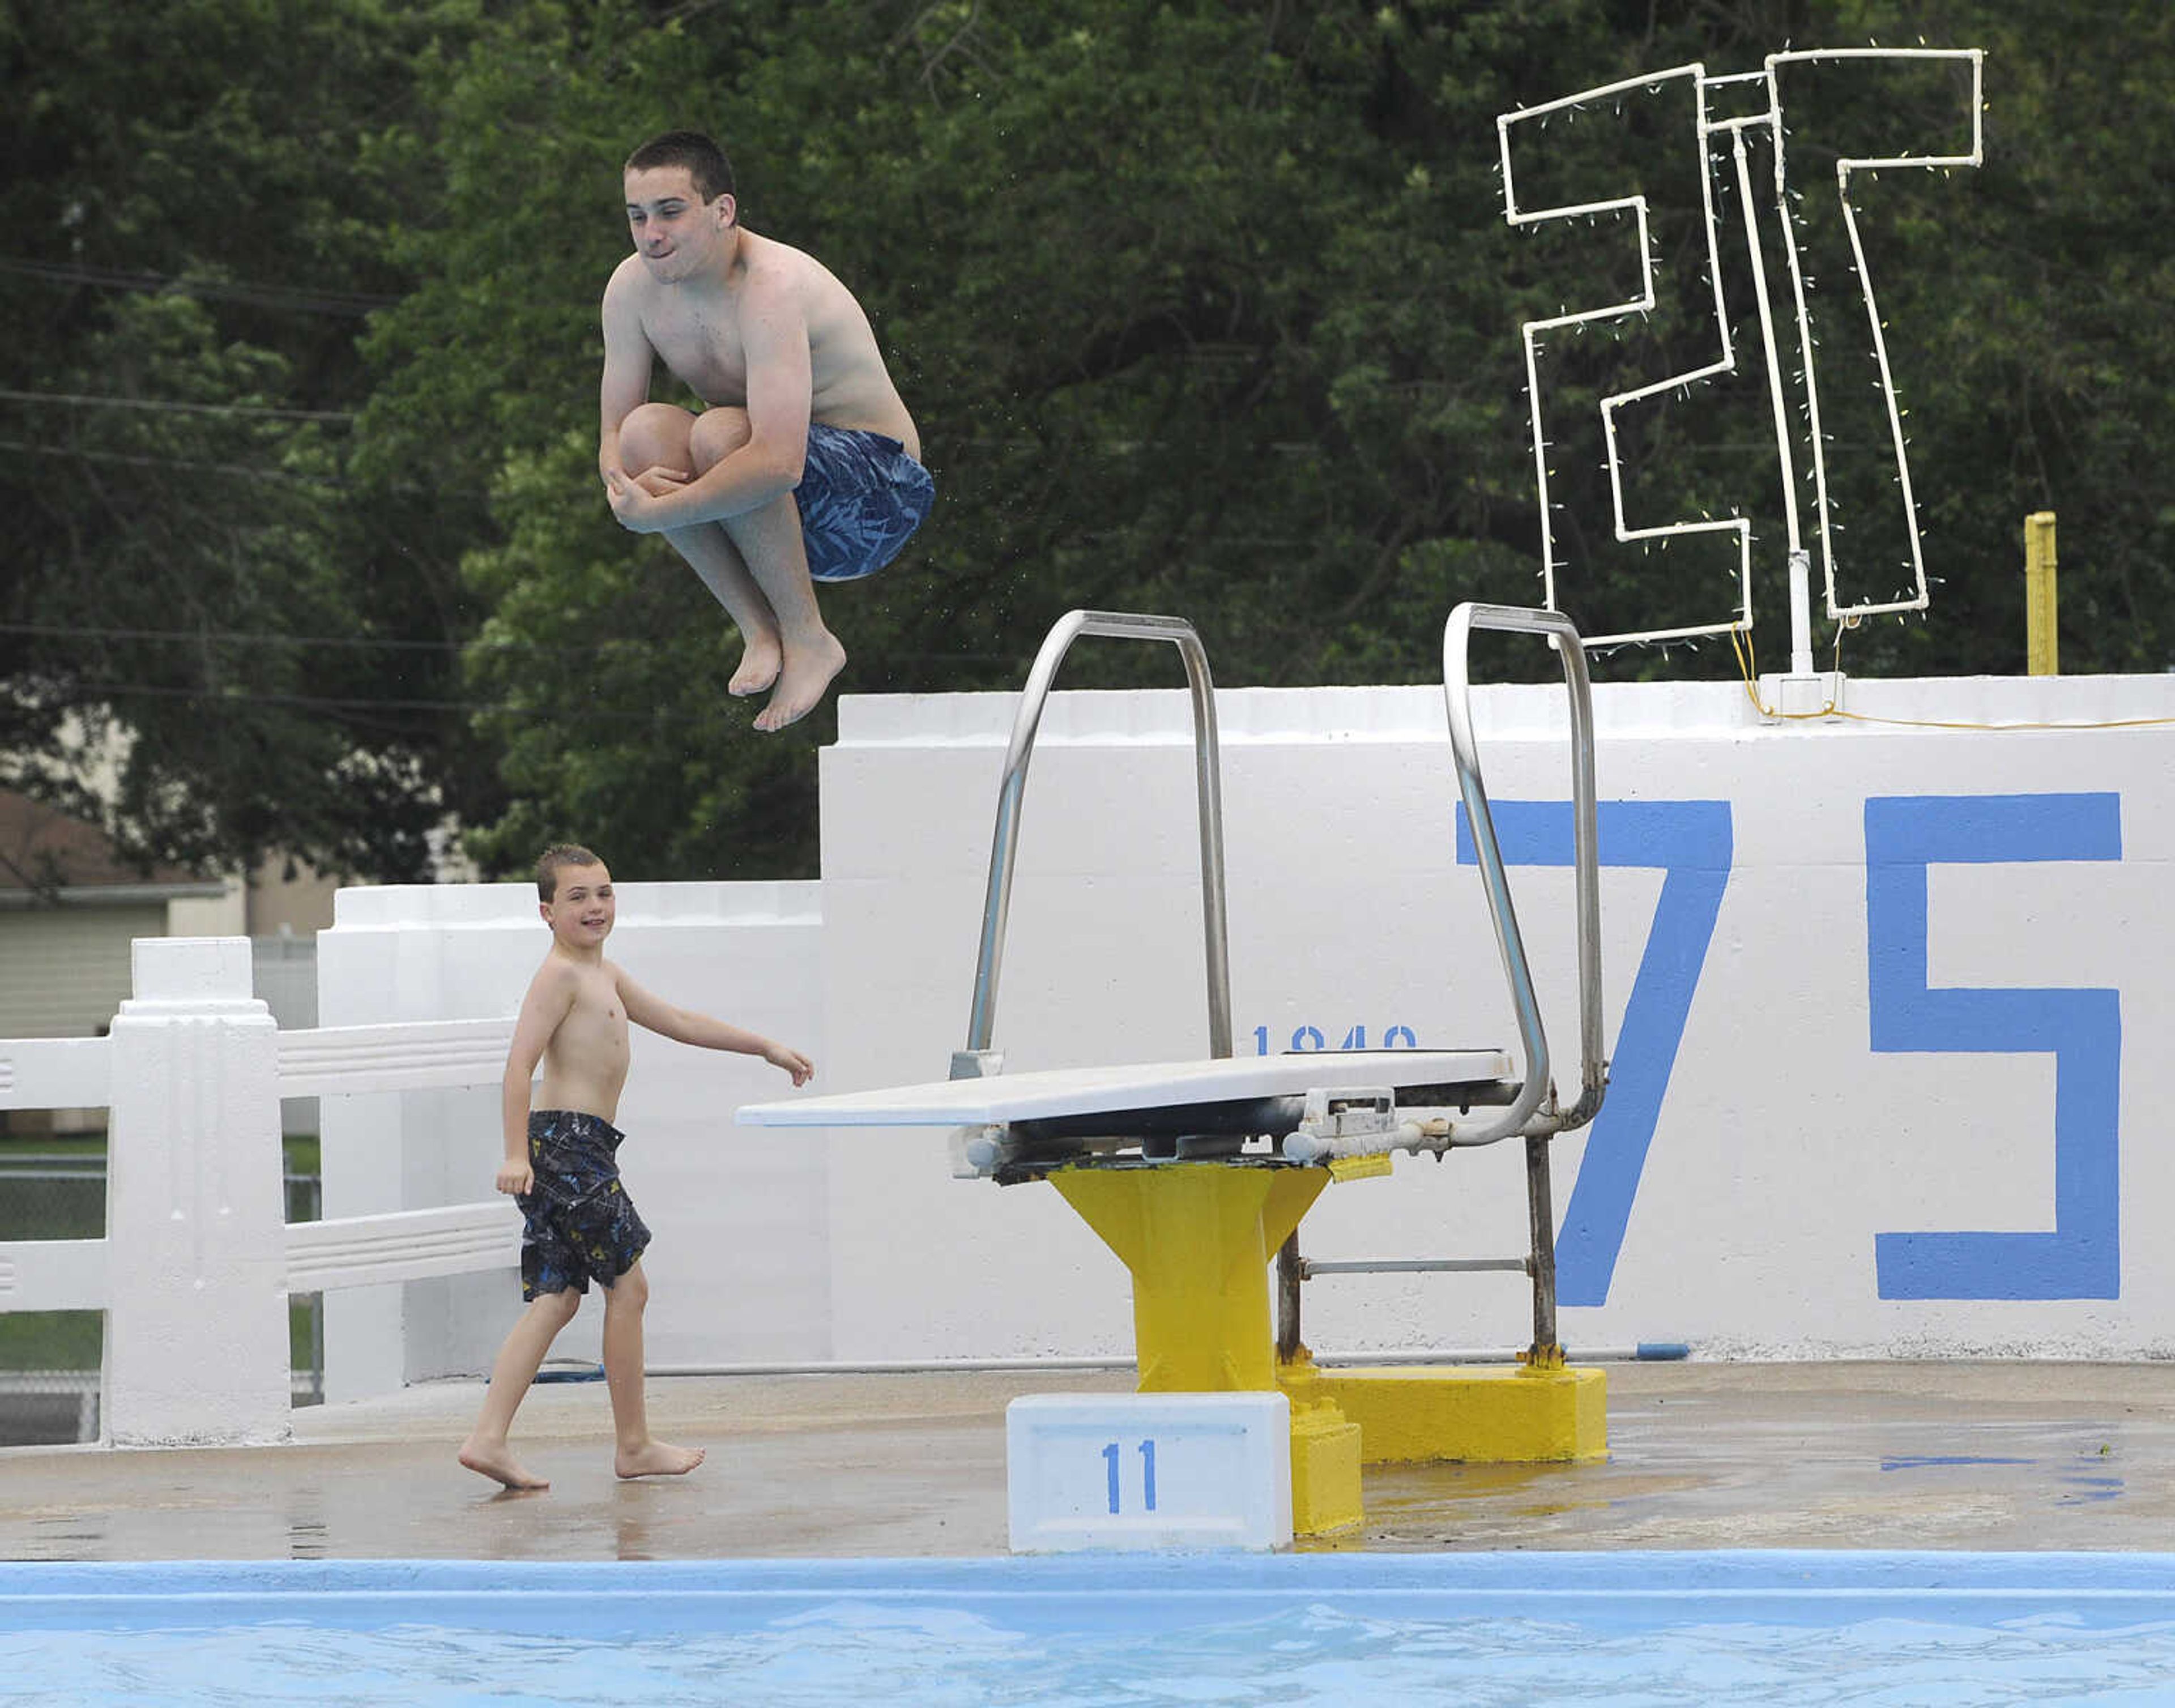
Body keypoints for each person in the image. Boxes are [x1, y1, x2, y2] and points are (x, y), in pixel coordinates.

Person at [458, 843, 815, 1491]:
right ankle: (634, 1444)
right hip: (566, 1147)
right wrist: (515, 1152)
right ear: (546, 911)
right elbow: (518, 1065)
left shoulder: (606, 974)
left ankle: (488, 1439)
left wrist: (763, 1046)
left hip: (577, 1146)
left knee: (558, 1298)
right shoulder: (559, 975)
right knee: (631, 1287)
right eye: (577, 897)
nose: (595, 907)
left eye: (604, 893)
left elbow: (678, 1021)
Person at [598, 129, 933, 733]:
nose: (652, 234)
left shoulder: (770, 286)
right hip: (777, 517)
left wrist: (661, 514)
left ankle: (811, 640)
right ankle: (760, 629)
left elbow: (780, 463)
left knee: (723, 435)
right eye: (638, 216)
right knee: (643, 434)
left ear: (722, 210)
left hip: (880, 499)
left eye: (671, 212)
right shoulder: (629, 290)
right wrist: (623, 488)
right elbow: (612, 432)